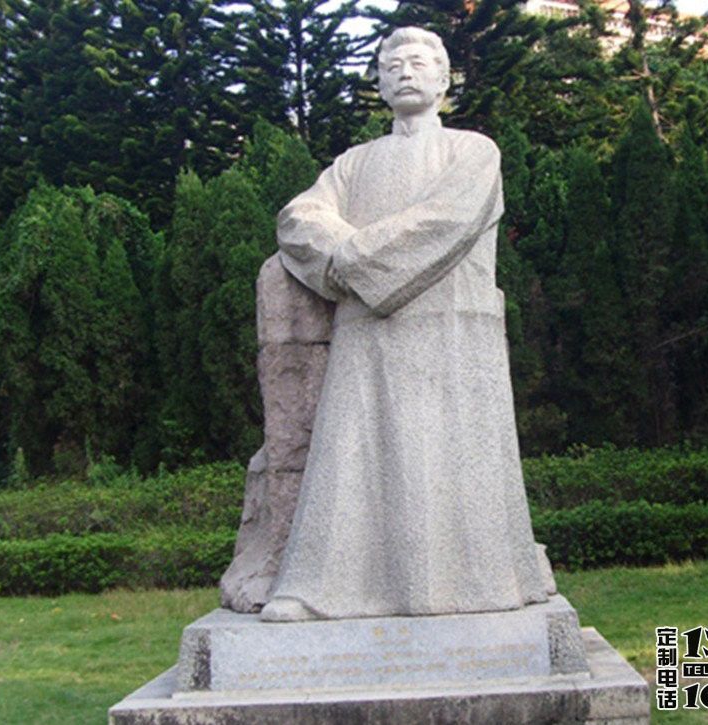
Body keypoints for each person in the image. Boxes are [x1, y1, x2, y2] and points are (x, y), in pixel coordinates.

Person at [260, 26, 548, 622]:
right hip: (366, 334)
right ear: (379, 81)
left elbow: (444, 222)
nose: (405, 72)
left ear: (444, 80)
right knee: (353, 458)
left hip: (450, 334)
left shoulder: (473, 151)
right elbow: (298, 219)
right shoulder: (352, 163)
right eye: (392, 64)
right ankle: (322, 587)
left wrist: (353, 262)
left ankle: (478, 586)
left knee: (452, 461)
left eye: (419, 62)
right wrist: (341, 255)